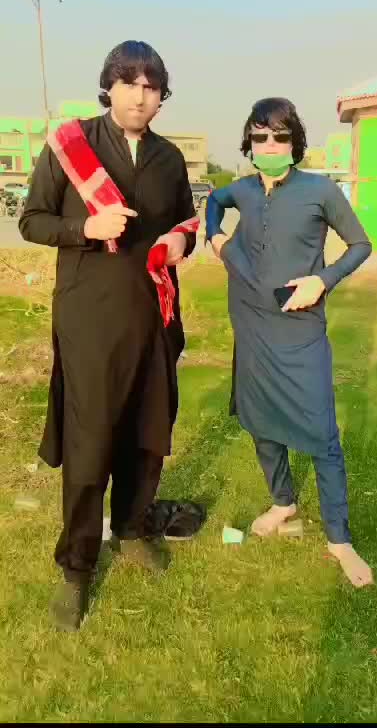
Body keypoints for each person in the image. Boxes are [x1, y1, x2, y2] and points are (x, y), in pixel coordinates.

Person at [19, 40, 197, 630]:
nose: (140, 97)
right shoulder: (73, 146)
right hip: (89, 319)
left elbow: (184, 221)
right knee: (90, 441)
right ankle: (76, 568)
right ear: (109, 87)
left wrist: (182, 239)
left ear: (161, 96)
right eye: (129, 84)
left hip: (153, 315)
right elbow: (32, 220)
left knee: (147, 433)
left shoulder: (170, 158)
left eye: (151, 87)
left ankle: (132, 528)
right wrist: (86, 227)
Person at [206, 97, 374, 588]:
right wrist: (216, 238)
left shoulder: (319, 190)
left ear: (295, 142)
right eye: (260, 137)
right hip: (251, 324)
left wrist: (323, 280)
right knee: (261, 423)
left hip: (300, 330)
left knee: (322, 435)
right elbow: (213, 202)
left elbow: (361, 245)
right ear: (250, 143)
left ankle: (339, 539)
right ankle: (283, 502)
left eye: (280, 136)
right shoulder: (242, 189)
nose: (270, 145)